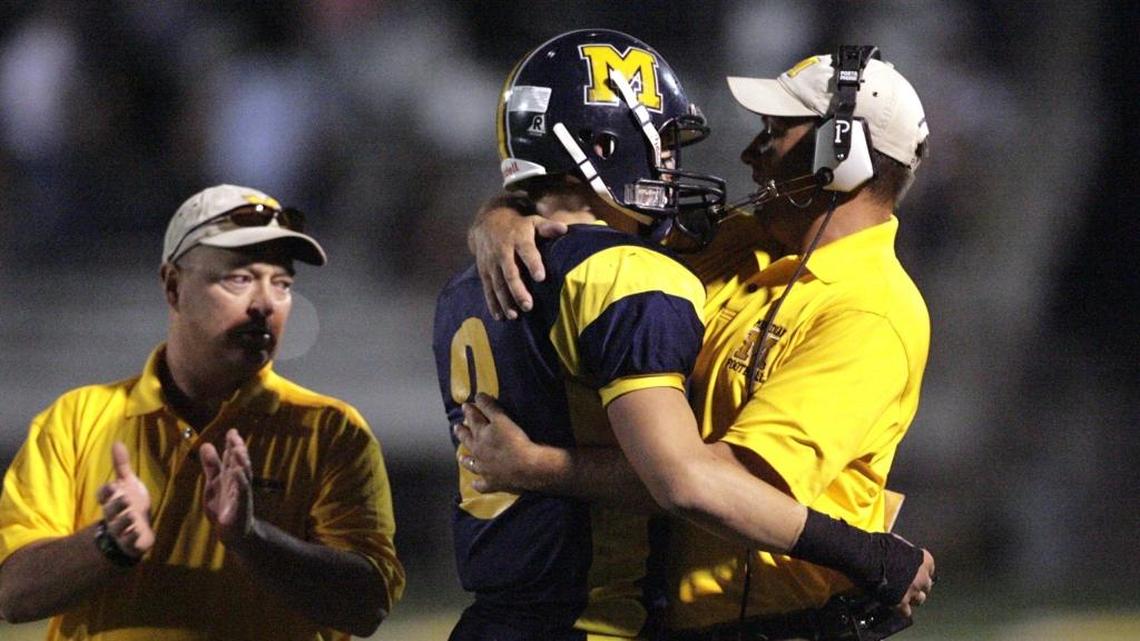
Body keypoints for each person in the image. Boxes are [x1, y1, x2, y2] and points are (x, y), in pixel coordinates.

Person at [436, 31, 932, 641]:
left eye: (776, 132)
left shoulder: (869, 312)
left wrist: (542, 466)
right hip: (662, 618)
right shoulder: (740, 239)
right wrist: (507, 214)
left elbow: (712, 483)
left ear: (841, 151)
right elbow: (588, 220)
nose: (751, 152)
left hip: (777, 623)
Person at [0, 184, 405, 640]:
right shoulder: (75, 421)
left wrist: (252, 538)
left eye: (282, 283)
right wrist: (108, 543)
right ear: (173, 286)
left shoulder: (331, 432)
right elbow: (13, 594)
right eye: (238, 278)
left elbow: (368, 605)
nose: (265, 304)